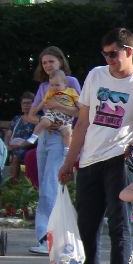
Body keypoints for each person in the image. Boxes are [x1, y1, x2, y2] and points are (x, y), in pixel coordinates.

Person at [57, 29, 133, 264]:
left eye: (113, 53)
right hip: (90, 160)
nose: (108, 59)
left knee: (119, 228)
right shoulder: (96, 75)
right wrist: (69, 161)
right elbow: (83, 122)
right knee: (87, 228)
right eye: (105, 54)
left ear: (129, 51)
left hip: (119, 161)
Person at [28, 46, 80, 253]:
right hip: (44, 137)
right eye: (44, 62)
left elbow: (80, 110)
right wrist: (45, 120)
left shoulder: (71, 82)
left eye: (51, 61)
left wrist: (57, 110)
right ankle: (47, 238)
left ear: (60, 61)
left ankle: (47, 240)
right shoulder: (44, 86)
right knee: (45, 188)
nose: (48, 65)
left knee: (50, 186)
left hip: (61, 138)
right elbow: (31, 115)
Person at [6, 91, 36, 185]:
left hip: (29, 147)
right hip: (13, 146)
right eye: (24, 103)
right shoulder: (16, 119)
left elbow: (35, 139)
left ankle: (14, 183)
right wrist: (6, 145)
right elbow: (8, 134)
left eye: (29, 103)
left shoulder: (37, 119)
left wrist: (18, 146)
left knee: (16, 155)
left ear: (34, 104)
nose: (26, 105)